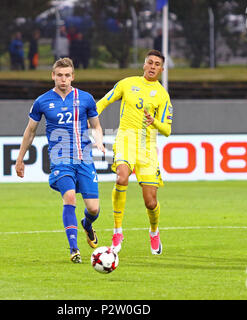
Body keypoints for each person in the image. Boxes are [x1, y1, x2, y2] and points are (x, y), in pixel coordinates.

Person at [15, 58, 105, 263]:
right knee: (70, 197)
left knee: (93, 209)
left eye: (67, 75)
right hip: (60, 160)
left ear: (73, 76)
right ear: (53, 76)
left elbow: (96, 126)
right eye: (59, 75)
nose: (63, 79)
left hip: (84, 159)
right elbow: (30, 131)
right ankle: (74, 250)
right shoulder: (42, 101)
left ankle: (87, 225)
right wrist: (20, 159)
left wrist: (99, 140)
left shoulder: (86, 99)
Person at [96, 49, 173, 255]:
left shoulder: (163, 95)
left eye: (157, 64)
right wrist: (89, 117)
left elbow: (167, 130)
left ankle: (154, 232)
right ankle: (117, 231)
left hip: (147, 148)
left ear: (161, 69)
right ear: (144, 65)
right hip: (126, 139)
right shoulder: (127, 83)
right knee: (121, 177)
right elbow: (103, 101)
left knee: (151, 201)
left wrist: (154, 121)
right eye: (150, 62)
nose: (153, 66)